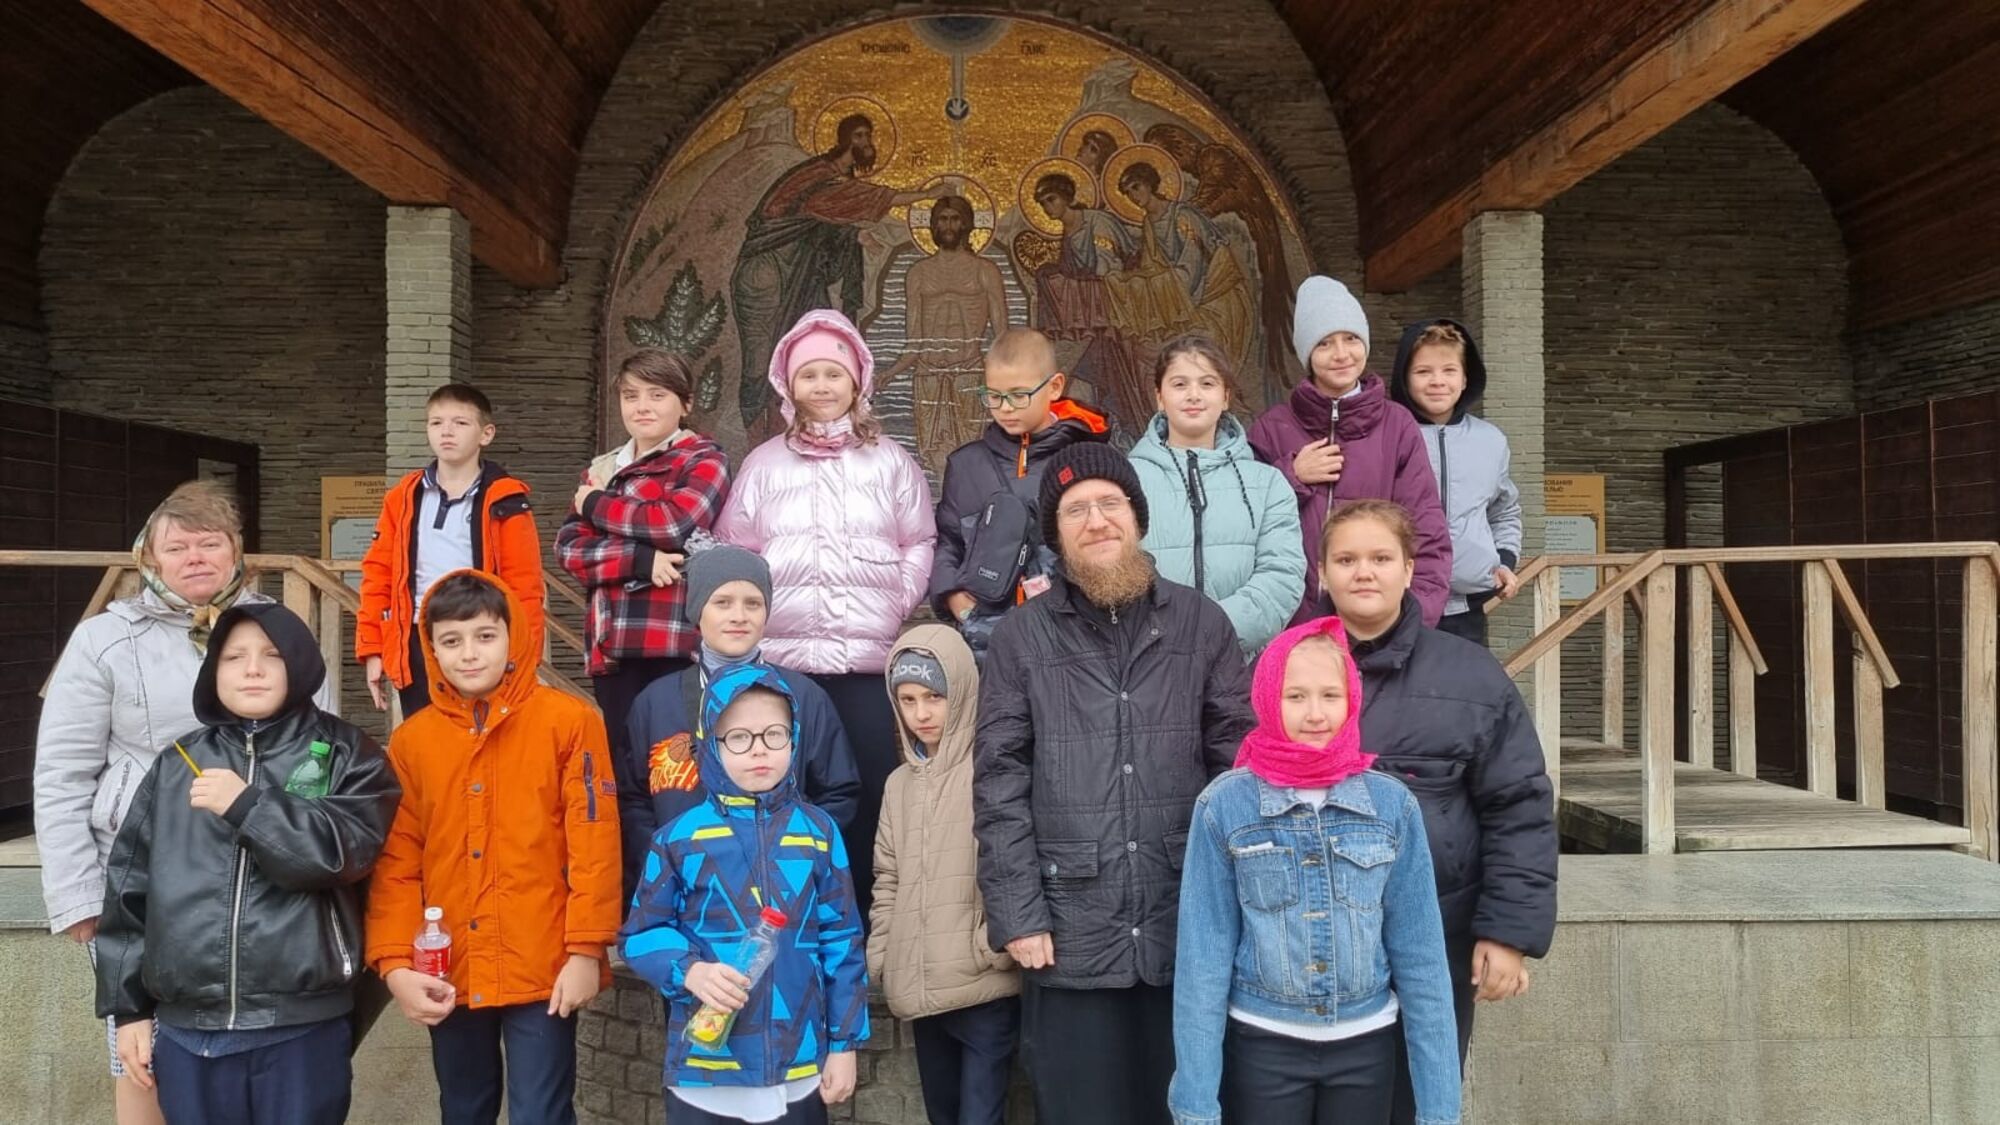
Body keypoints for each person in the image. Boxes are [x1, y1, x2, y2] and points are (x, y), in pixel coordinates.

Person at [974, 444, 1255, 1125]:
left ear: (1137, 516)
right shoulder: (1020, 637)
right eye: (1076, 510)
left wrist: (1241, 903)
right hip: (1068, 927)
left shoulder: (1202, 623)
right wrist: (1019, 912)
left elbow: (1239, 770)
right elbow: (999, 779)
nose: (1096, 520)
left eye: (1110, 503)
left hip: (1184, 917)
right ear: (1055, 534)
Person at [36, 480, 325, 1125]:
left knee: (239, 1046)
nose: (195, 558)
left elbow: (318, 745)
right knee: (140, 1049)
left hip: (257, 871)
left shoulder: (276, 628)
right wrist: (77, 894)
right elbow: (61, 772)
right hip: (138, 877)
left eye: (210, 544)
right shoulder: (104, 640)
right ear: (150, 557)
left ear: (236, 551)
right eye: (177, 547)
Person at [93, 603, 400, 1125]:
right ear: (214, 671)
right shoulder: (177, 763)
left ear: (299, 663)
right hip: (188, 1031)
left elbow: (337, 856)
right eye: (234, 657)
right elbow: (128, 891)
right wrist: (129, 1011)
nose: (252, 669)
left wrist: (247, 806)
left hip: (303, 1026)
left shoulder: (349, 754)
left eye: (271, 655)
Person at [1316, 500, 1557, 1124]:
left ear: (1408, 569)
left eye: (1380, 558)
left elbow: (1519, 806)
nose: (1363, 572)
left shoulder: (1469, 675)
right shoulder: (1286, 668)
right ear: (1322, 572)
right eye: (1346, 559)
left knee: (1418, 1102)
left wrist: (1507, 932)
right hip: (1310, 939)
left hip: (1436, 938)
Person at [1168, 616, 1460, 1125]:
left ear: (1352, 699)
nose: (1315, 714)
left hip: (1366, 1045)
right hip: (1263, 1043)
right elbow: (1202, 960)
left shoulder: (1391, 805)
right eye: (1295, 696)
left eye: (1330, 695)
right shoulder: (1225, 805)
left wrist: (1440, 1110)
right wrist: (1196, 1105)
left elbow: (1423, 959)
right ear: (1267, 699)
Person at [364, 571, 622, 1125]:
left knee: (541, 1112)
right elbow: (397, 863)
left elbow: (595, 843)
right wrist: (395, 964)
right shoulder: (412, 741)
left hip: (544, 962)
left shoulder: (569, 723)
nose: (469, 654)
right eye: (451, 640)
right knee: (463, 1108)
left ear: (513, 636)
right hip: (449, 964)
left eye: (484, 636)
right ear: (431, 649)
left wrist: (586, 950)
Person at [715, 308, 935, 916]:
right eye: (807, 374)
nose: (821, 386)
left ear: (857, 382)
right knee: (785, 791)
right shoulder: (764, 464)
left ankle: (858, 920)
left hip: (864, 667)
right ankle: (784, 919)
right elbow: (735, 551)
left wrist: (895, 603)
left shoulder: (890, 461)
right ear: (789, 385)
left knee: (864, 793)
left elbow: (919, 540)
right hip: (782, 664)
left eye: (833, 374)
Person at [622, 666, 869, 1125]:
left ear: (795, 739)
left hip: (800, 1067)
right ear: (710, 746)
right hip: (706, 1074)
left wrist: (844, 1044)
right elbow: (640, 935)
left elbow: (843, 941)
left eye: (774, 734)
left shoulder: (819, 833)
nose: (759, 749)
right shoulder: (678, 838)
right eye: (738, 737)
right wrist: (689, 970)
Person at [618, 545, 861, 898]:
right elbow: (633, 798)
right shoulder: (656, 703)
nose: (739, 616)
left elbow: (839, 791)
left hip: (782, 896)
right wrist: (662, 860)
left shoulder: (804, 697)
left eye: (753, 603)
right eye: (722, 602)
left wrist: (797, 856)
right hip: (681, 894)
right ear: (696, 609)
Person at [556, 348, 731, 798]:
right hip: (612, 645)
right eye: (631, 395)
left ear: (685, 403)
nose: (642, 407)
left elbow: (674, 524)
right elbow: (570, 548)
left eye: (657, 394)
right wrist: (640, 561)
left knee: (676, 774)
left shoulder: (701, 459)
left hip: (673, 644)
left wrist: (595, 504)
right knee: (622, 774)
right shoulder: (603, 468)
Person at [869, 624, 1019, 1125]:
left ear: (963, 690)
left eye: (935, 696)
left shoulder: (994, 768)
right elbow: (887, 877)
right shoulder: (898, 784)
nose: (922, 714)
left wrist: (992, 947)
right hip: (921, 992)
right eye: (908, 700)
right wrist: (884, 956)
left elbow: (1015, 861)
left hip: (985, 988)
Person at [1247, 276, 1451, 627]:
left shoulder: (1397, 425)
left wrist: (1412, 623)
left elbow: (1426, 528)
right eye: (1324, 343)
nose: (1341, 354)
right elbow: (1242, 521)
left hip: (1379, 624)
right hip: (1293, 624)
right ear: (1307, 354)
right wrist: (1292, 477)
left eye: (1351, 339)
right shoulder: (1272, 428)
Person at [358, 383, 546, 716]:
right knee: (424, 735)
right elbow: (378, 575)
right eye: (436, 422)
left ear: (486, 434)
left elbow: (525, 588)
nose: (446, 431)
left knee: (483, 733)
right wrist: (373, 648)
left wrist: (522, 658)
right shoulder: (402, 497)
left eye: (460, 423)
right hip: (418, 636)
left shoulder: (506, 500)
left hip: (481, 636)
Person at [930, 326, 1111, 657]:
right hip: (985, 644)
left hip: (1070, 643)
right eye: (994, 396)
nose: (1005, 408)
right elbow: (949, 542)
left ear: (1054, 387)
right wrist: (953, 597)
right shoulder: (966, 465)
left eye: (1018, 395)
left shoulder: (1086, 459)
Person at [1129, 333, 1305, 657]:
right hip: (1148, 661)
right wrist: (1163, 635)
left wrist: (1214, 630)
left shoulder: (1267, 484)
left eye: (1207, 384)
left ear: (1225, 397)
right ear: (1159, 397)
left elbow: (1282, 576)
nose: (1193, 395)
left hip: (1239, 663)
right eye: (1179, 384)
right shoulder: (1125, 481)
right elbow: (1115, 569)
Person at [1388, 319, 1522, 646]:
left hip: (1467, 607)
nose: (1438, 381)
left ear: (1465, 379)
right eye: (1423, 371)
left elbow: (1504, 511)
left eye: (1449, 370)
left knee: (1466, 680)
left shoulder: (1490, 441)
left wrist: (1504, 560)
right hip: (1397, 600)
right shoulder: (1387, 436)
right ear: (1405, 378)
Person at [880, 194, 1010, 467]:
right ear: (933, 225)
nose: (948, 225)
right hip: (928, 374)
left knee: (970, 455)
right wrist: (889, 373)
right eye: (942, 219)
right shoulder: (919, 272)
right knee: (934, 456)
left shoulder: (985, 270)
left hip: (969, 372)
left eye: (955, 219)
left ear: (966, 224)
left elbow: (1002, 337)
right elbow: (914, 340)